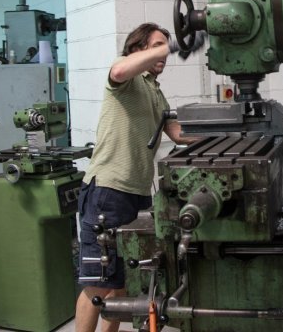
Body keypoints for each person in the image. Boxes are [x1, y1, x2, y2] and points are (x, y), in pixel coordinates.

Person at [75, 22, 198, 332]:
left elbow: (178, 134)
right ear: (136, 48)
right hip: (108, 191)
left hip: (137, 194)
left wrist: (227, 134)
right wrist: (170, 46)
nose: (164, 53)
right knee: (97, 287)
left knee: (123, 285)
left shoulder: (155, 91)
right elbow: (118, 73)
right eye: (156, 45)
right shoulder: (125, 77)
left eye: (165, 47)